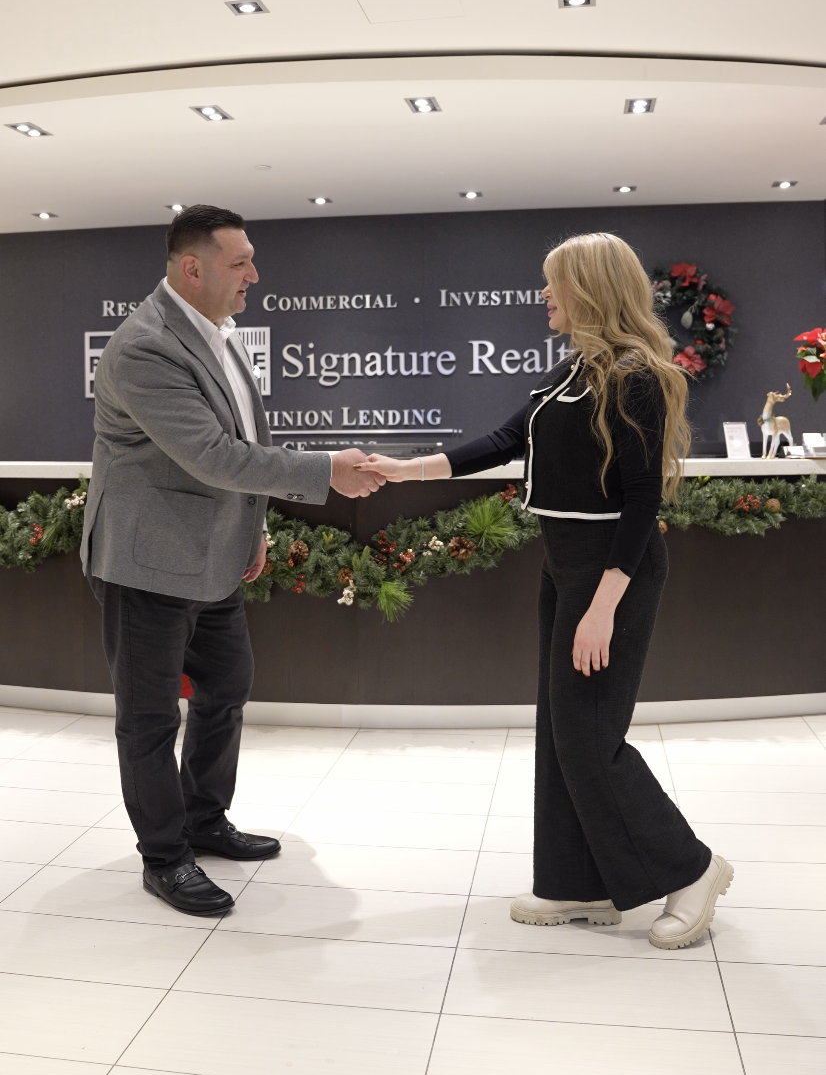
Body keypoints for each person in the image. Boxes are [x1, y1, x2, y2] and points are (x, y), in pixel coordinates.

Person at [358, 232, 732, 951]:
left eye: (552, 284)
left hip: (609, 574)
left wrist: (602, 606)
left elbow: (640, 498)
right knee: (561, 733)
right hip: (564, 564)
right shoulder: (568, 375)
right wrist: (406, 470)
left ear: (588, 289)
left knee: (589, 736)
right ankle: (577, 883)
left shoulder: (635, 376)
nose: (543, 297)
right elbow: (503, 440)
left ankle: (693, 868)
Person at [81, 204, 384, 916]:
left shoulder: (217, 334)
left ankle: (203, 818)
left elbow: (246, 434)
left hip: (215, 555)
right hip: (147, 562)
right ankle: (164, 856)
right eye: (241, 261)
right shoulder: (144, 347)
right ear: (194, 267)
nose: (255, 273)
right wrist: (324, 472)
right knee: (151, 718)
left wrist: (255, 528)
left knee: (227, 687)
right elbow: (212, 456)